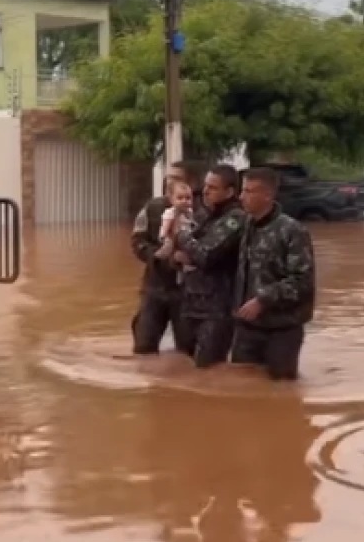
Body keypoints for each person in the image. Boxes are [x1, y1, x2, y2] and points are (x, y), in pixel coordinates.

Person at [231, 167, 316, 380]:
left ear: (267, 195)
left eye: (249, 191)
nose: (241, 197)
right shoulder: (245, 226)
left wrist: (263, 299)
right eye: (242, 190)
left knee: (281, 391)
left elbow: (302, 281)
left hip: (282, 328)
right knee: (241, 389)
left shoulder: (292, 231)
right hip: (247, 328)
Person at [173, 164, 246, 368]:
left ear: (229, 192)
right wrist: (183, 251)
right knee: (183, 366)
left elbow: (206, 254)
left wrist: (182, 235)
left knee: (208, 368)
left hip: (216, 310)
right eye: (205, 185)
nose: (205, 191)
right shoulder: (204, 214)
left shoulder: (235, 218)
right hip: (190, 303)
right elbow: (180, 253)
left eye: (212, 187)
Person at [130, 160, 201, 354]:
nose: (170, 181)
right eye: (169, 177)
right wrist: (159, 255)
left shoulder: (202, 211)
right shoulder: (152, 207)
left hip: (188, 291)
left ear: (192, 183)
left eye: (177, 178)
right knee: (144, 346)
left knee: (187, 349)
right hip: (155, 286)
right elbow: (137, 241)